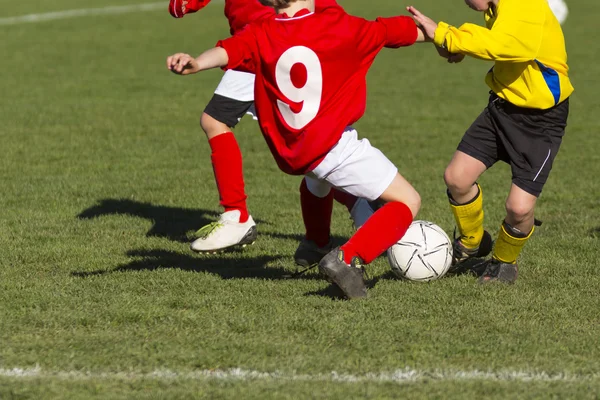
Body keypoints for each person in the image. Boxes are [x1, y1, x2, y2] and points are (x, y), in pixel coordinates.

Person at [167, 0, 428, 298]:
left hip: (295, 150)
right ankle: (348, 258)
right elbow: (391, 30)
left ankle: (315, 244)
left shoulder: (259, 32)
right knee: (408, 200)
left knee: (316, 179)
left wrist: (198, 62)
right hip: (334, 145)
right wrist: (440, 35)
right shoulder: (336, 26)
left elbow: (230, 50)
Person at [168, 0, 374, 262]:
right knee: (308, 148)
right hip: (266, 48)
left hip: (264, 48)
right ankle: (352, 213)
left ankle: (237, 216)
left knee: (218, 122)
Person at [408, 0, 573, 283]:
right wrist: (455, 46)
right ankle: (473, 242)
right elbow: (496, 44)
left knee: (519, 208)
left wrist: (447, 34)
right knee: (457, 178)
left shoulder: (524, 3)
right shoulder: (495, 8)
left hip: (540, 120)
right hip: (502, 107)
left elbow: (507, 46)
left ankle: (504, 262)